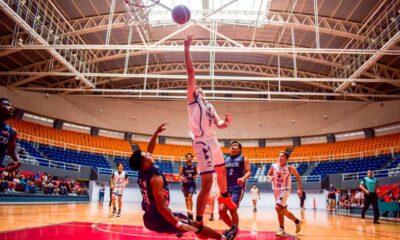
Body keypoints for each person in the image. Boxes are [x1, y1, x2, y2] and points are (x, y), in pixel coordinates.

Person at [129, 122, 237, 240]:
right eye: (146, 157)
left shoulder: (142, 171)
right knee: (194, 225)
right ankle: (224, 238)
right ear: (143, 163)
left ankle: (179, 229)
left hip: (150, 217)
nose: (149, 155)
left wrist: (155, 134)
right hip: (159, 218)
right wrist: (178, 224)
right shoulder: (155, 178)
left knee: (187, 221)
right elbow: (161, 207)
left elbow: (149, 149)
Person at [184, 35, 236, 224]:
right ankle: (198, 221)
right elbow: (191, 73)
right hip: (200, 141)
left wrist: (226, 123)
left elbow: (219, 123)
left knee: (221, 170)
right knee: (206, 183)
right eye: (194, 86)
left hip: (212, 139)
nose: (195, 86)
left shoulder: (209, 105)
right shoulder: (192, 100)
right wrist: (186, 49)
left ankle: (224, 196)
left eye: (197, 87)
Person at [267, 151, 303, 237]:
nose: (280, 157)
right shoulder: (273, 166)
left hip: (285, 190)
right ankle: (297, 221)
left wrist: (299, 189)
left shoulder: (289, 168)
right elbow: (268, 174)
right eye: (279, 156)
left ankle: (281, 229)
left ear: (286, 159)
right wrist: (270, 177)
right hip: (276, 190)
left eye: (282, 156)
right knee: (284, 211)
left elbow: (298, 177)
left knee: (277, 207)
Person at [219, 141, 250, 228]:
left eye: (235, 145)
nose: (233, 146)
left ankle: (234, 230)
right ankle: (234, 229)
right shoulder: (226, 160)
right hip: (226, 188)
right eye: (231, 145)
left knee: (232, 209)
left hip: (237, 188)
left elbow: (249, 172)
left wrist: (243, 178)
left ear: (240, 149)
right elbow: (222, 174)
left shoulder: (243, 159)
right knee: (221, 211)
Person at [0, 98, 21, 173]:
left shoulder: (12, 131)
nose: (11, 108)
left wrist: (18, 161)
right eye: (6, 105)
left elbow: (11, 149)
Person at [179, 153, 198, 220]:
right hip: (185, 184)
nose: (189, 158)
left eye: (190, 157)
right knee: (186, 198)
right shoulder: (183, 166)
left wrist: (195, 176)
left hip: (192, 183)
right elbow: (180, 175)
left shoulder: (195, 165)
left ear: (192, 158)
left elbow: (196, 173)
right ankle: (188, 212)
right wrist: (182, 178)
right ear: (186, 158)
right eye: (188, 157)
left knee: (190, 197)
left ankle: (191, 212)